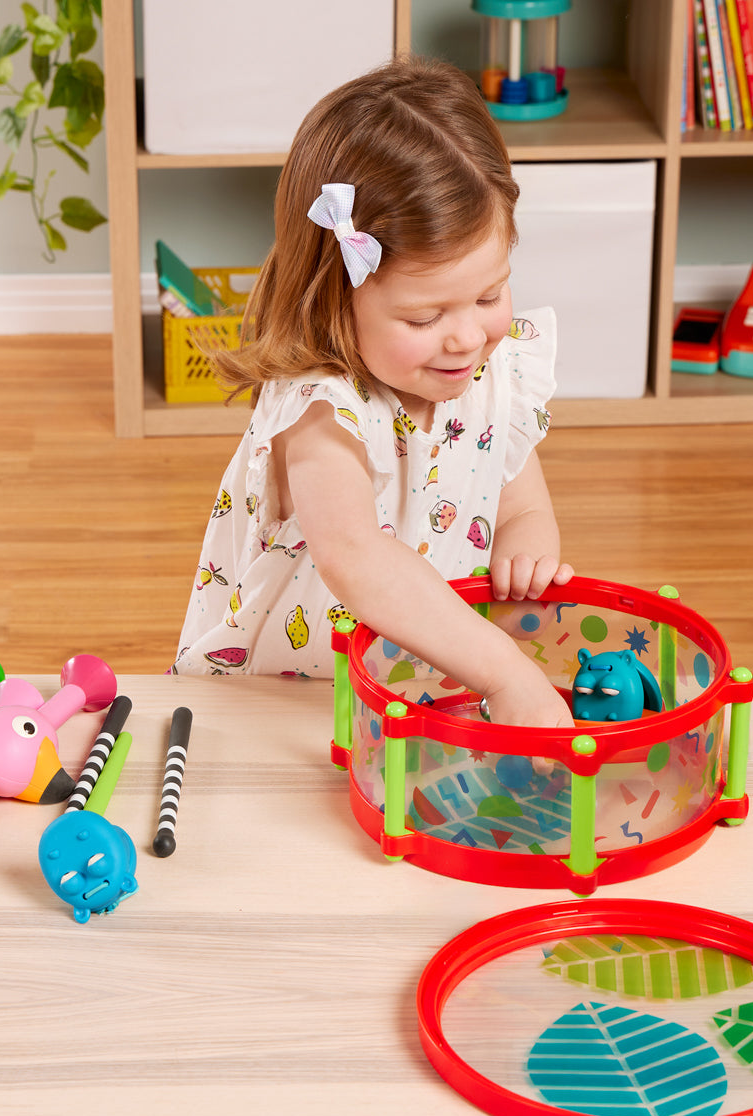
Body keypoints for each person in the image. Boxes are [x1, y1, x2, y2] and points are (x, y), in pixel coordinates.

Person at [173, 56, 574, 728]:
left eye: (489, 295)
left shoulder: (489, 373)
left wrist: (526, 545)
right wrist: (504, 671)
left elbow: (521, 502)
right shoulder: (320, 410)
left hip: (420, 693)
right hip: (284, 704)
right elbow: (356, 557)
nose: (467, 338)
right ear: (336, 296)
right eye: (424, 318)